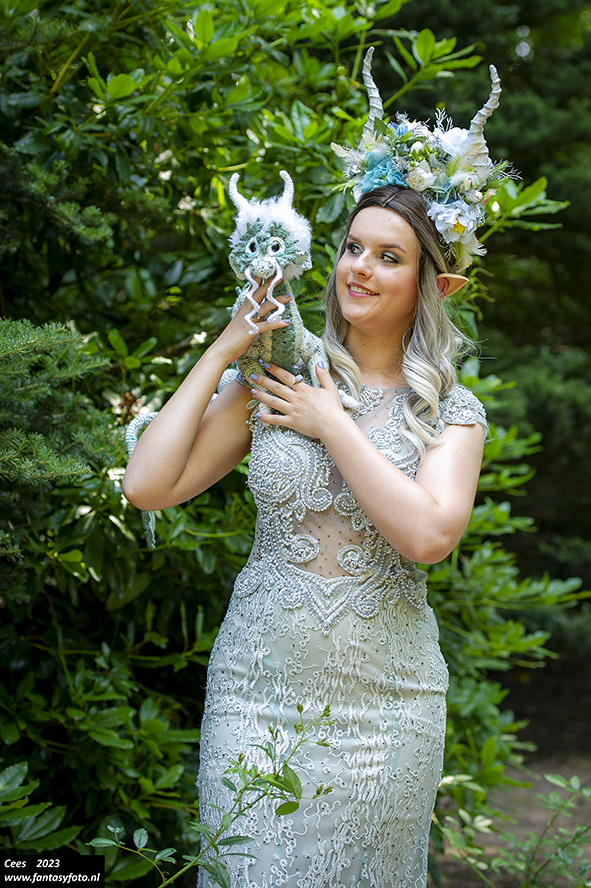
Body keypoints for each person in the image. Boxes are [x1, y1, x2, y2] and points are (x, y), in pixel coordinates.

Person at [123, 51, 502, 888]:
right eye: (352, 248)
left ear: (432, 283)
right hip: (256, 694)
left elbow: (428, 536)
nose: (359, 268)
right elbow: (148, 485)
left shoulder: (451, 409)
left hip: (388, 713)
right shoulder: (283, 373)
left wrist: (331, 424)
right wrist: (225, 346)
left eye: (388, 257)